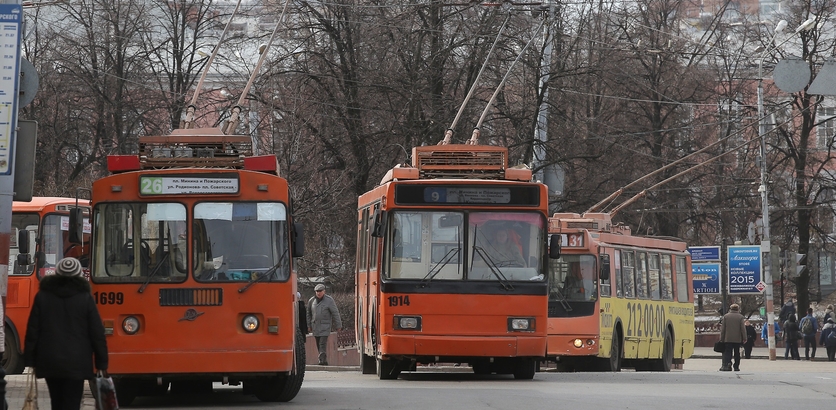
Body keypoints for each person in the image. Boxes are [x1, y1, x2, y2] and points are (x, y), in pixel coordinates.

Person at [24, 257, 108, 410]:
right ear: (78, 275)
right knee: (72, 403)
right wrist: (102, 362)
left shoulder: (42, 297)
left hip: (50, 360)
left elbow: (33, 330)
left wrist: (30, 360)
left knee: (56, 402)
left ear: (57, 274)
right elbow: (97, 333)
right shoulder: (85, 298)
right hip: (77, 362)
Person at [307, 284, 342, 365]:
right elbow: (308, 313)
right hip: (315, 326)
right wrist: (309, 325)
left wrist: (338, 325)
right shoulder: (312, 301)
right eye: (317, 291)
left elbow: (335, 313)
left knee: (322, 343)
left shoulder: (329, 300)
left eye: (320, 291)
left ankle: (321, 360)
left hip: (325, 326)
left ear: (324, 291)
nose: (318, 293)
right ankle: (323, 359)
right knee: (318, 343)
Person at [719, 303, 746, 371]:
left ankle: (728, 363)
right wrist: (744, 338)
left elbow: (723, 329)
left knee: (728, 352)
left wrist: (721, 338)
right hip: (737, 339)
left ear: (730, 309)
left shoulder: (726, 316)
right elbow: (743, 329)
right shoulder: (740, 317)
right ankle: (736, 366)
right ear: (738, 309)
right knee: (737, 353)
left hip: (727, 338)